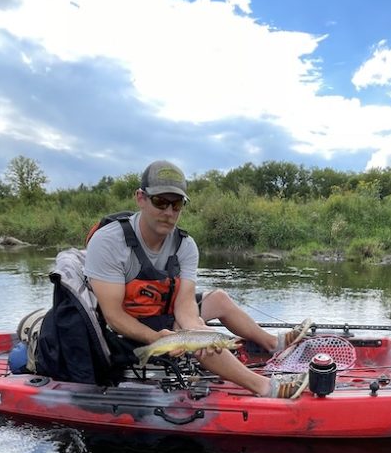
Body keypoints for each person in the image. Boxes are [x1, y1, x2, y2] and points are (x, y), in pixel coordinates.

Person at [84, 159, 312, 399]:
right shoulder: (109, 242)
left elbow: (184, 304)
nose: (169, 212)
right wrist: (157, 339)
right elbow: (113, 316)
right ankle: (264, 387)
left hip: (165, 314)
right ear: (140, 198)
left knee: (217, 303)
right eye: (160, 202)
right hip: (125, 329)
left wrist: (196, 329)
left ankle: (273, 344)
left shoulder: (185, 245)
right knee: (193, 335)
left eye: (177, 204)